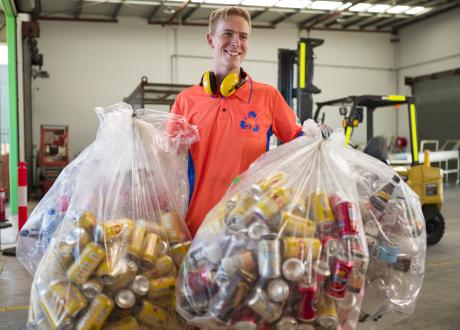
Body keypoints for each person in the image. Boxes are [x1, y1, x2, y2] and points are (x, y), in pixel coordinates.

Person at [172, 6, 324, 237]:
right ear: (210, 39)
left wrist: (318, 138)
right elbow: (168, 159)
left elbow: (299, 144)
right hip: (195, 226)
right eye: (228, 34)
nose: (236, 42)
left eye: (243, 36)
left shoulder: (268, 97)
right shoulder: (186, 101)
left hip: (247, 228)